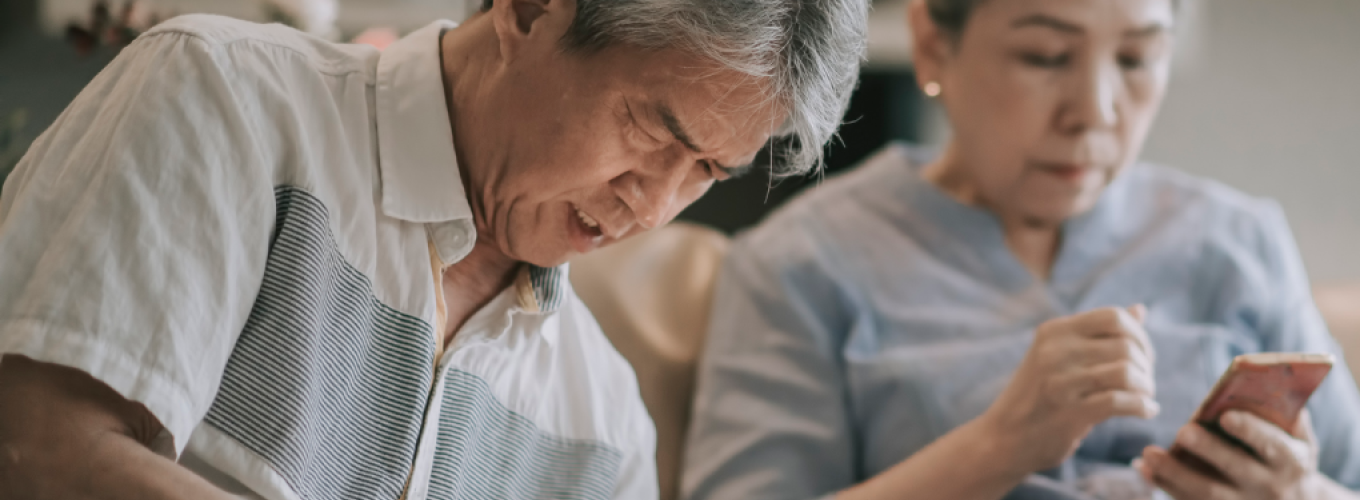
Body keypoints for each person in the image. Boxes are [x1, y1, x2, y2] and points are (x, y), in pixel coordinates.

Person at [0, 0, 865, 497]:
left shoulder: (606, 427)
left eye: (708, 170)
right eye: (647, 127)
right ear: (529, 10)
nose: (655, 201)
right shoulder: (226, 102)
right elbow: (39, 448)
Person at [679, 0, 1360, 499]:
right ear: (936, 42)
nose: (1094, 111)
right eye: (1043, 56)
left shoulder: (1237, 239)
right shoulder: (802, 262)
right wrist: (998, 444)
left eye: (1135, 60)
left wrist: (1305, 494)